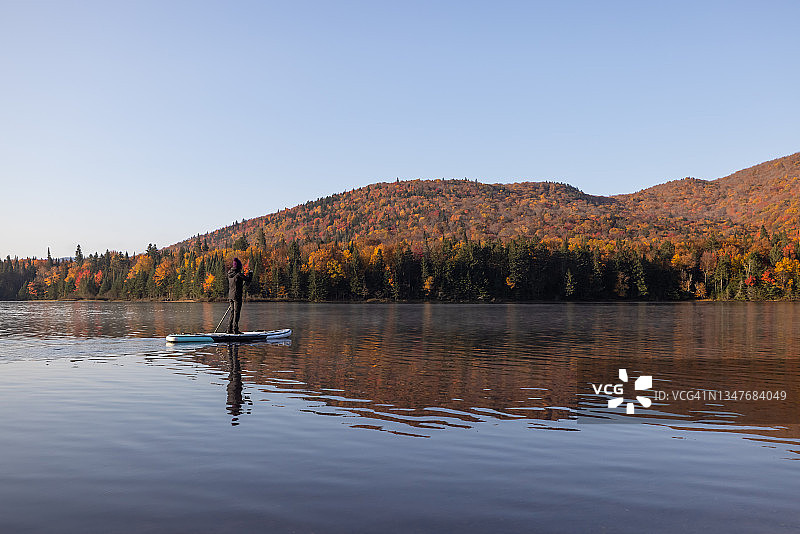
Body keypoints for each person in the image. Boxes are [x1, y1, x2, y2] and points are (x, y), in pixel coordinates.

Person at [227, 257, 252, 334]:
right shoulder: (238, 274)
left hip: (230, 296)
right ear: (239, 267)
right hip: (237, 296)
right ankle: (235, 330)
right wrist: (250, 273)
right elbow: (248, 280)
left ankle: (229, 329)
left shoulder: (229, 274)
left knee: (232, 312)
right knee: (236, 312)